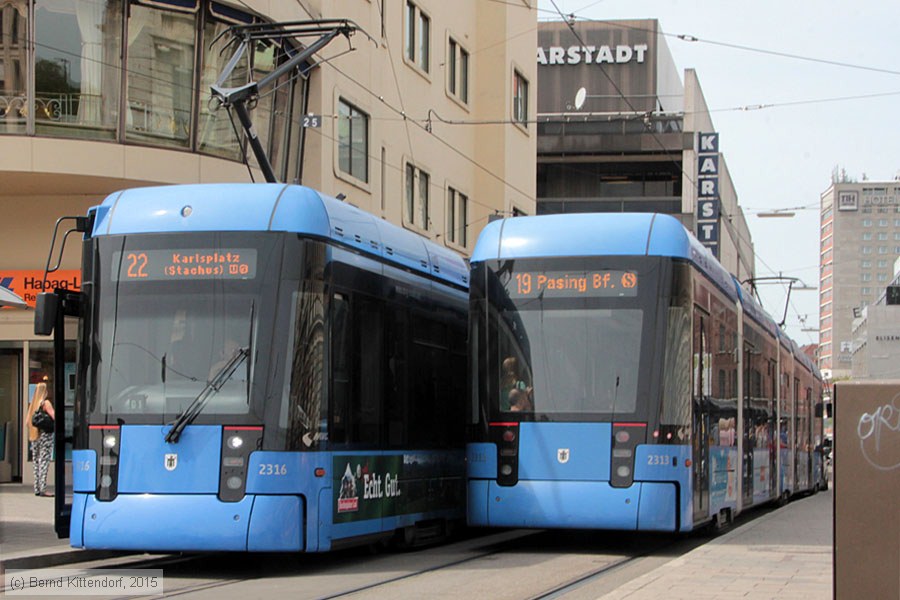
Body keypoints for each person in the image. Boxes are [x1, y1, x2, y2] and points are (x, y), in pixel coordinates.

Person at [26, 382, 55, 497]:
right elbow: (54, 416)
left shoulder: (32, 405)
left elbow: (27, 422)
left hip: (35, 436)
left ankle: (37, 488)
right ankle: (43, 489)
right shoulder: (45, 403)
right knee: (44, 461)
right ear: (45, 391)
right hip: (45, 436)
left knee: (36, 462)